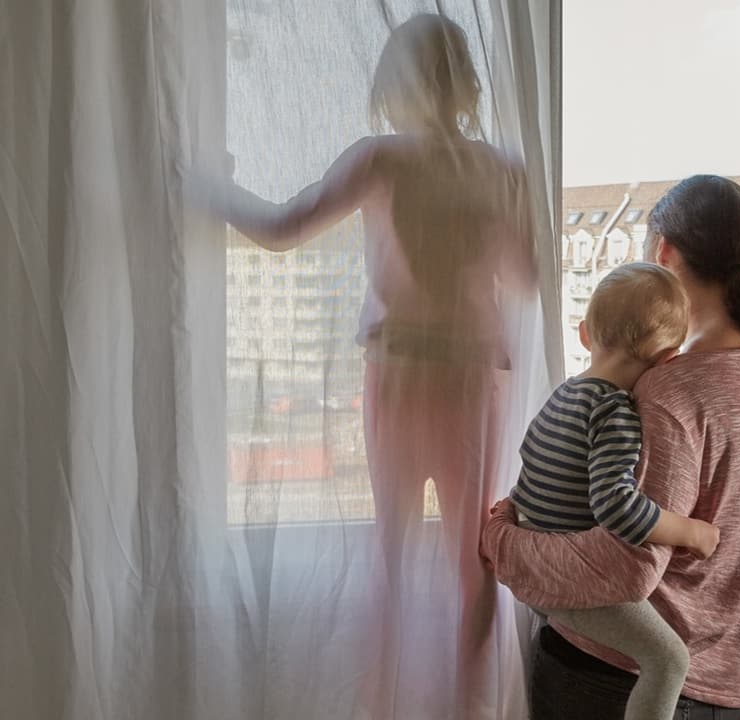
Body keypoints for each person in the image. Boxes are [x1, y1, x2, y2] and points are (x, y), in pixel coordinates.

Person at [185, 13, 536, 717]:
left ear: (391, 84)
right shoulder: (502, 170)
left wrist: (204, 186)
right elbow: (525, 277)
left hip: (403, 373)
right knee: (472, 563)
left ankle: (382, 708)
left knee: (390, 557)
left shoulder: (381, 159)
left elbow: (282, 229)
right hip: (472, 379)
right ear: (464, 84)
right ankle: (469, 711)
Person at [482, 175, 740, 719]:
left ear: (663, 252)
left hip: (615, 682)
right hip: (727, 689)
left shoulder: (670, 389)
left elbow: (624, 567)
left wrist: (500, 541)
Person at [507, 261, 720, 720]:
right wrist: (691, 532)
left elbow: (530, 466)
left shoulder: (563, 394)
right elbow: (616, 507)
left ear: (584, 334)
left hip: (533, 564)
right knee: (668, 660)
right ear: (668, 360)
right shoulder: (615, 412)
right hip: (563, 582)